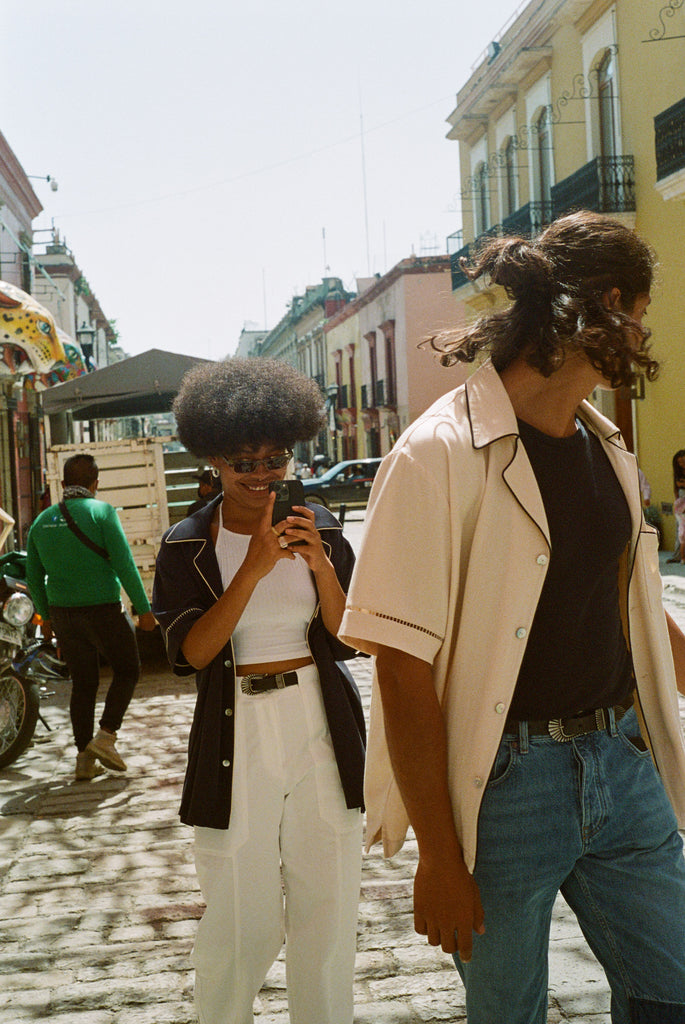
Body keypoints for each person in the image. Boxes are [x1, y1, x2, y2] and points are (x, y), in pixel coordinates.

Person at [339, 211, 685, 1024]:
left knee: (671, 987)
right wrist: (438, 858)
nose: (640, 338)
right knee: (509, 1015)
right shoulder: (436, 455)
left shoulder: (607, 449)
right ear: (608, 305)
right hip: (504, 791)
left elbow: (629, 603)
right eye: (638, 315)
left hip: (624, 765)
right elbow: (398, 663)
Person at [151, 358, 365, 1024]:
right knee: (239, 922)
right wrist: (249, 571)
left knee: (327, 915)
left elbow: (350, 637)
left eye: (274, 458)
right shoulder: (186, 545)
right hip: (236, 732)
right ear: (212, 459)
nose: (262, 475)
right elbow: (192, 654)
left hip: (319, 723)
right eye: (244, 462)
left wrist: (319, 566)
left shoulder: (322, 526)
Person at [26, 454, 157, 781]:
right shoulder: (102, 512)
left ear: (62, 484)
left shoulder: (41, 522)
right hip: (105, 611)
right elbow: (124, 564)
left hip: (64, 615)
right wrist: (144, 610)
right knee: (128, 669)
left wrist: (47, 617)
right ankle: (106, 736)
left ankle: (84, 759)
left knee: (83, 684)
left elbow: (33, 578)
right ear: (95, 483)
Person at [667, 449, 685, 564]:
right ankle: (679, 556)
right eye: (679, 462)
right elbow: (677, 488)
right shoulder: (678, 474)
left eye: (683, 461)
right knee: (681, 531)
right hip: (682, 503)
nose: (682, 464)